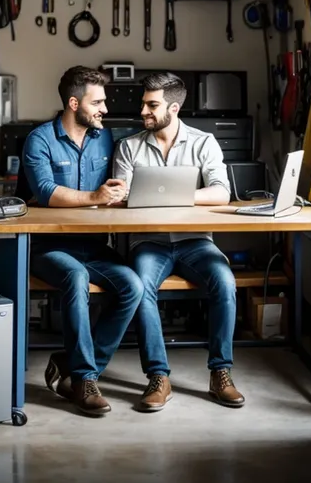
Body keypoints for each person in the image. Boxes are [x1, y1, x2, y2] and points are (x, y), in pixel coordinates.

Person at [113, 72, 245, 412]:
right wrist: (180, 197)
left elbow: (221, 192)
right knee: (141, 287)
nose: (143, 110)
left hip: (195, 241)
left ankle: (221, 373)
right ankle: (158, 376)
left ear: (173, 107)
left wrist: (171, 197)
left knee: (225, 283)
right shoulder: (129, 146)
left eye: (151, 104)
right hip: (149, 242)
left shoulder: (204, 142)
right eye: (143, 102)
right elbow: (124, 198)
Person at [22, 66, 144, 417]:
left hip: (93, 245)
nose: (105, 108)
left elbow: (112, 190)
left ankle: (71, 363)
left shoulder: (104, 138)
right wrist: (95, 195)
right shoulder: (40, 139)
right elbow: (45, 192)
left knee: (132, 286)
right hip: (48, 247)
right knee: (75, 277)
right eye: (98, 102)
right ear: (74, 103)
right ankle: (84, 380)